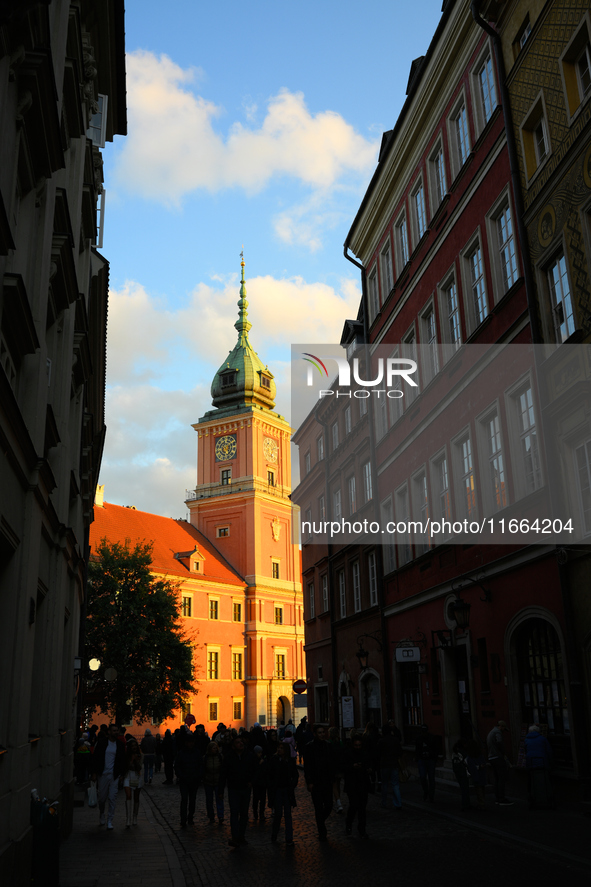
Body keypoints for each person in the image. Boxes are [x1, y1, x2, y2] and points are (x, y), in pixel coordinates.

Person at [220, 734, 257, 847]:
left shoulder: (249, 755)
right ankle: (235, 836)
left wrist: (252, 782)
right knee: (234, 813)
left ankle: (241, 836)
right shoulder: (229, 757)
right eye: (238, 742)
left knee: (244, 814)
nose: (241, 743)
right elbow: (223, 774)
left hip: (245, 788)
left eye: (241, 741)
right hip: (233, 788)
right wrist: (220, 790)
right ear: (233, 746)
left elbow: (255, 770)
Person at [92, 723, 126, 829]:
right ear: (109, 732)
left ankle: (110, 820)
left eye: (117, 730)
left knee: (112, 798)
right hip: (103, 774)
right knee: (102, 798)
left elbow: (122, 760)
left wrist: (121, 774)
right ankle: (102, 813)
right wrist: (94, 772)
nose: (116, 732)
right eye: (114, 730)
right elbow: (95, 758)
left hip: (114, 775)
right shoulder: (102, 743)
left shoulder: (120, 745)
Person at [303, 723, 334, 841]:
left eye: (323, 732)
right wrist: (309, 781)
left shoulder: (328, 745)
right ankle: (322, 830)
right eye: (320, 733)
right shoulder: (309, 747)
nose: (322, 735)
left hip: (326, 781)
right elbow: (308, 766)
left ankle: (320, 820)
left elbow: (331, 762)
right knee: (318, 807)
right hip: (315, 782)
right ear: (315, 734)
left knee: (329, 805)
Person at [269, 741, 299, 846]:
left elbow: (295, 774)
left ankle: (289, 838)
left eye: (281, 748)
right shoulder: (274, 760)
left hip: (286, 790)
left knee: (287, 814)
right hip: (277, 790)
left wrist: (292, 784)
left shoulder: (290, 761)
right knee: (278, 814)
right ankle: (274, 834)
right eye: (279, 748)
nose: (279, 750)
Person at [343, 732, 372, 838]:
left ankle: (362, 829)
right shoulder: (348, 753)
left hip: (363, 783)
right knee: (354, 805)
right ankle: (349, 824)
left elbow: (369, 764)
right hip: (352, 783)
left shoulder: (365, 753)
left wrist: (368, 769)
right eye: (356, 745)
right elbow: (344, 767)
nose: (358, 747)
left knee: (362, 808)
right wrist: (352, 766)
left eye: (359, 745)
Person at [175, 732, 203, 828]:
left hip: (194, 780)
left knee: (192, 800)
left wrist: (198, 776)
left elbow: (200, 765)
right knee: (184, 799)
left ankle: (190, 817)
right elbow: (177, 766)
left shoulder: (196, 752)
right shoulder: (181, 753)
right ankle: (183, 819)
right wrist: (181, 775)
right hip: (184, 780)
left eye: (192, 742)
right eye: (189, 742)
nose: (191, 744)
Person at [525, 725, 554, 809]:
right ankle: (547, 798)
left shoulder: (526, 740)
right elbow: (549, 751)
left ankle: (532, 798)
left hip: (531, 762)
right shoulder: (543, 739)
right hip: (542, 762)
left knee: (532, 781)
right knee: (546, 781)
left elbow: (526, 750)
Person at [486, 720, 514, 806]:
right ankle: (501, 798)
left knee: (497, 778)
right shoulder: (497, 733)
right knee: (501, 778)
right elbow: (500, 743)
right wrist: (503, 752)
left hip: (491, 757)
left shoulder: (491, 732)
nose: (503, 732)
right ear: (501, 726)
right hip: (497, 757)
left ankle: (498, 797)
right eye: (503, 729)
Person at [377, 723, 403, 810]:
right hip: (394, 764)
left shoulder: (381, 741)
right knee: (395, 784)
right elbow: (400, 752)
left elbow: (378, 753)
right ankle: (398, 803)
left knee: (384, 784)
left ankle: (384, 802)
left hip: (384, 765)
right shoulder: (395, 740)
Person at [122, 738, 143, 827]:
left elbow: (139, 768)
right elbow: (125, 766)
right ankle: (128, 818)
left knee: (136, 797)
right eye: (132, 746)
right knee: (128, 796)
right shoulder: (126, 756)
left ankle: (135, 816)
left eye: (135, 746)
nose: (134, 747)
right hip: (128, 776)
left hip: (136, 776)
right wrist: (131, 760)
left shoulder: (140, 755)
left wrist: (136, 760)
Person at [415, 724, 438, 802]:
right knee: (423, 777)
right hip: (422, 759)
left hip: (430, 759)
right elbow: (417, 749)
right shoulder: (418, 738)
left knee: (431, 778)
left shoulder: (431, 738)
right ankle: (426, 791)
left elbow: (435, 749)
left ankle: (431, 795)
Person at [203, 741, 224, 824]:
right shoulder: (205, 758)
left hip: (217, 781)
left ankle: (220, 815)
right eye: (213, 748)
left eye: (216, 748)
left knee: (219, 799)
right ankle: (211, 816)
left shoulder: (219, 757)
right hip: (208, 781)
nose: (215, 749)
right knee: (209, 800)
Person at [466, 739, 487, 811]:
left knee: (479, 790)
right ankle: (481, 802)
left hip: (477, 774)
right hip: (481, 774)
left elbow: (471, 767)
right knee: (482, 789)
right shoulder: (480, 754)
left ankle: (481, 804)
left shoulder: (470, 757)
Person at [328, 726, 345, 814]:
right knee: (337, 785)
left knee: (334, 785)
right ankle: (338, 800)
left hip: (333, 767)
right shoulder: (341, 743)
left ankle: (338, 803)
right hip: (340, 767)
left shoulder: (329, 743)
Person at [451, 738, 471, 811]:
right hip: (463, 771)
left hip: (457, 771)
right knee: (465, 789)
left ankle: (465, 803)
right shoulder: (463, 752)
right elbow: (466, 762)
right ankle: (465, 804)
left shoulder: (455, 752)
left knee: (463, 788)